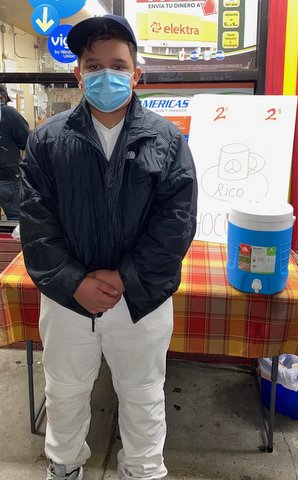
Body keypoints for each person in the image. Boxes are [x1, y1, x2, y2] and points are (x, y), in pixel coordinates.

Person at [20, 14, 197, 480]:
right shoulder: (47, 140)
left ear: (136, 73)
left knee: (142, 394)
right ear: (77, 73)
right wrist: (74, 283)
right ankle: (64, 467)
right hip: (67, 300)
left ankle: (142, 471)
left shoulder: (166, 139)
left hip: (139, 299)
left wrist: (126, 278)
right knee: (65, 389)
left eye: (117, 65)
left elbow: (176, 222)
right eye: (93, 65)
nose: (105, 75)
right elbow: (36, 222)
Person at [0, 84, 29, 220]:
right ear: (2, 96)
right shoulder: (9, 113)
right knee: (17, 221)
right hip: (7, 177)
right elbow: (27, 143)